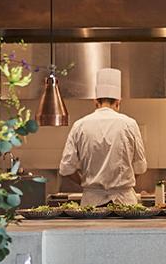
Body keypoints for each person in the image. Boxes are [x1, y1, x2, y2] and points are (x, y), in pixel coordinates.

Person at [59, 68, 147, 207]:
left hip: (91, 204)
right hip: (124, 203)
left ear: (95, 101)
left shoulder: (80, 125)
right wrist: (121, 183)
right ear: (118, 102)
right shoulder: (130, 124)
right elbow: (140, 167)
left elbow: (66, 169)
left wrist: (88, 184)